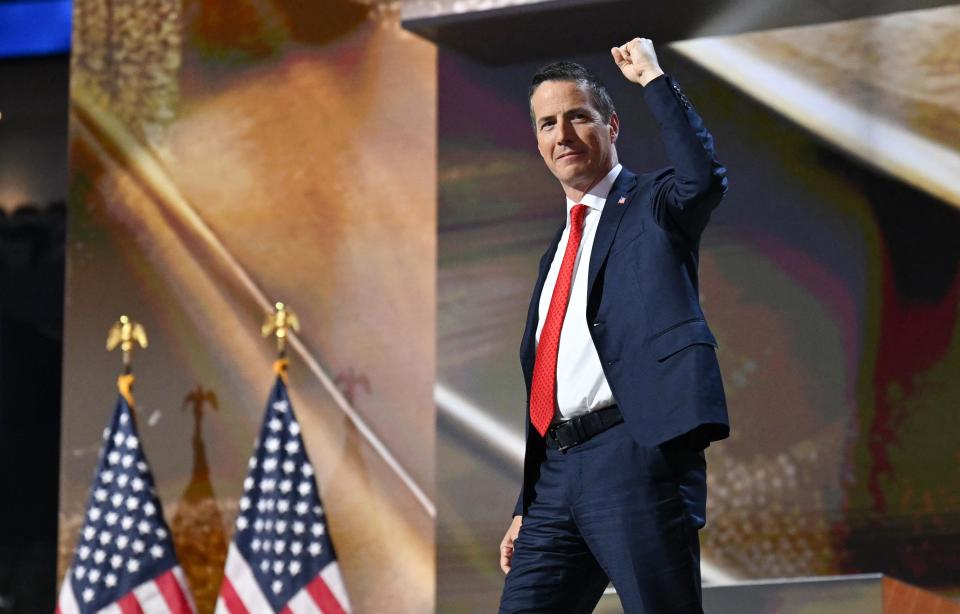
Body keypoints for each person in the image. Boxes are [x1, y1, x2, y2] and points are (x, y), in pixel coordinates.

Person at [498, 38, 730, 613]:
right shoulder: (556, 249)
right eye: (548, 123)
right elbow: (554, 376)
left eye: (578, 116)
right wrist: (525, 503)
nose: (563, 134)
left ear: (612, 125)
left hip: (635, 454)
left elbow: (703, 177)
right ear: (538, 142)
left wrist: (652, 77)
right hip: (555, 477)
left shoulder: (653, 203)